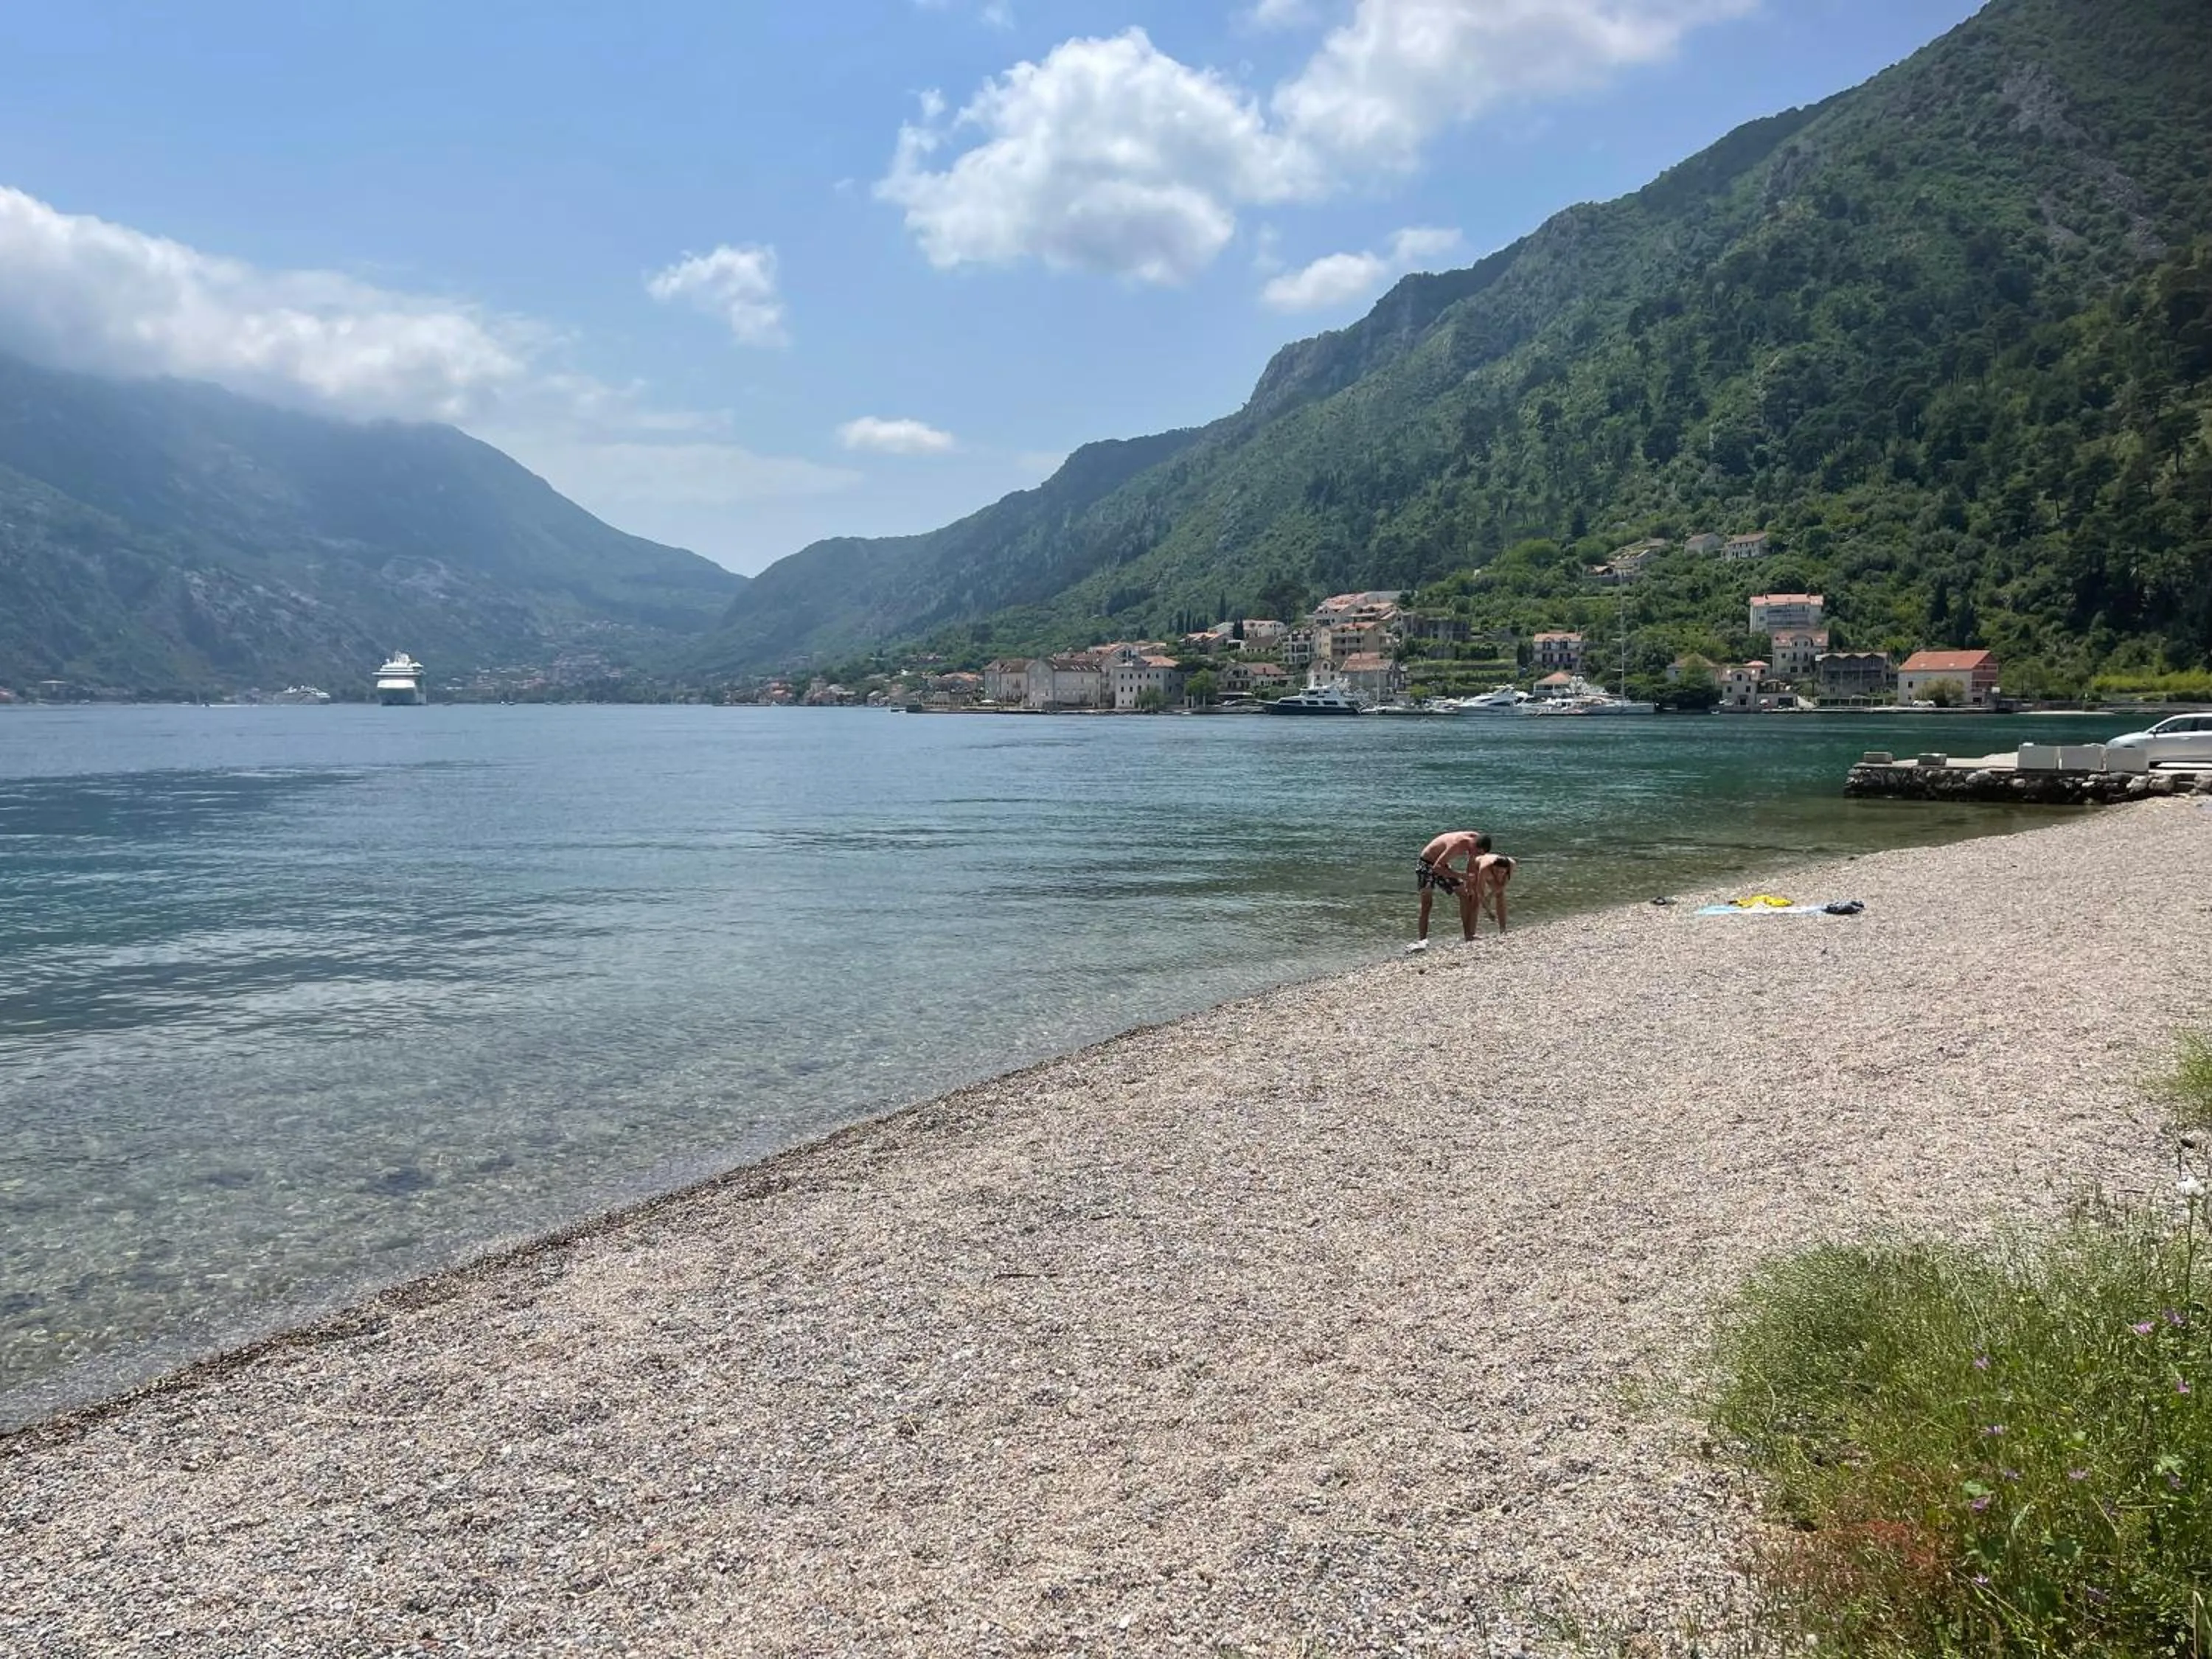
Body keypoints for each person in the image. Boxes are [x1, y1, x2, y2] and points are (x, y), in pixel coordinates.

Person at [1413, 829, 1489, 943]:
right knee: (1427, 904)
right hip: (1427, 864)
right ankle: (1422, 940)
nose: (1477, 855)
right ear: (1473, 845)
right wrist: (1461, 876)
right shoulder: (1457, 844)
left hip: (1441, 864)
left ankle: (1468, 936)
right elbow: (1436, 868)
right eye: (1477, 852)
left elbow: (1472, 861)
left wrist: (1470, 884)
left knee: (1464, 895)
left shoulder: (1476, 839)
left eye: (1480, 854)